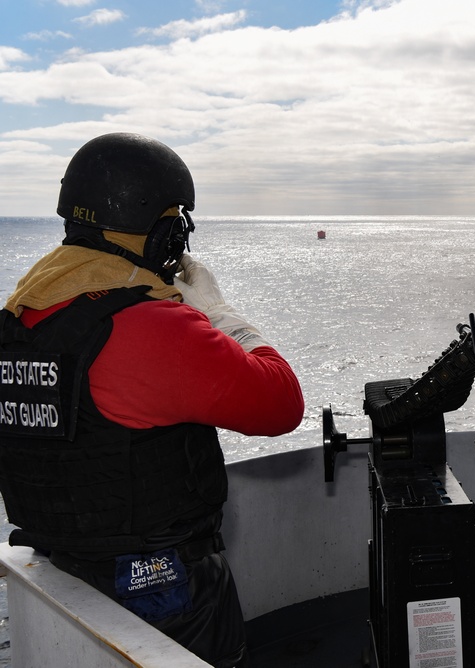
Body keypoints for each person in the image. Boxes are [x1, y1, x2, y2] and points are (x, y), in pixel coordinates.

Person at [0, 132, 305, 667]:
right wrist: (220, 313)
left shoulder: (18, 321)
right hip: (162, 592)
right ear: (161, 232)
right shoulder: (151, 326)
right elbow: (281, 403)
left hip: (59, 576)